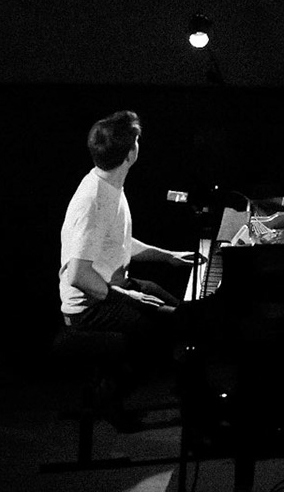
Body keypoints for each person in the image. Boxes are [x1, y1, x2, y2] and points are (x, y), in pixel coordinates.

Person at [58, 110, 195, 379]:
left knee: (185, 314)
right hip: (89, 309)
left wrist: (168, 256)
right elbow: (78, 275)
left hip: (112, 289)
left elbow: (116, 243)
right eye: (136, 141)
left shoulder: (108, 184)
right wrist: (128, 297)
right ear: (130, 154)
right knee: (166, 330)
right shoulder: (93, 200)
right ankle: (129, 393)